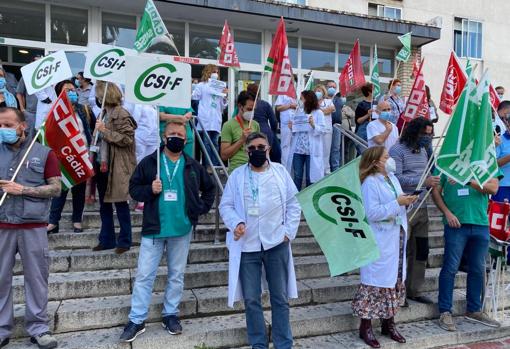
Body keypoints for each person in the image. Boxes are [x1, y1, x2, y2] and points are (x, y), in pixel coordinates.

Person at [120, 121, 215, 342]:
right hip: (154, 230)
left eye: (181, 134)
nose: (176, 137)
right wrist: (149, 190)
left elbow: (209, 188)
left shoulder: (192, 165)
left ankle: (170, 314)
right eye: (172, 133)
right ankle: (136, 319)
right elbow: (133, 189)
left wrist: (200, 208)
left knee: (176, 275)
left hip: (181, 229)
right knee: (144, 276)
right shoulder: (150, 162)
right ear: (164, 137)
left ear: (186, 138)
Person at [219, 132, 301, 349]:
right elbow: (225, 205)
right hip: (248, 246)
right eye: (252, 148)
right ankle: (258, 344)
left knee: (280, 298)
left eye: (261, 147)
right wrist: (235, 223)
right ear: (246, 151)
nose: (257, 151)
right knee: (252, 299)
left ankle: (284, 344)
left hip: (276, 244)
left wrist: (288, 232)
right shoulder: (237, 176)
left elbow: (294, 204)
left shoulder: (281, 173)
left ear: (269, 149)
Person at [0, 107, 61, 349]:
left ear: (22, 126)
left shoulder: (44, 153)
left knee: (36, 278)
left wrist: (23, 190)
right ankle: (2, 328)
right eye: (0, 125)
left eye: (7, 125)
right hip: (3, 224)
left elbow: (55, 188)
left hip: (33, 226)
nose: (2, 129)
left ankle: (39, 328)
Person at [352, 146, 417, 348]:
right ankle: (366, 326)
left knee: (394, 279)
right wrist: (397, 202)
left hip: (396, 237)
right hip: (380, 239)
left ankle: (389, 323)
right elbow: (372, 213)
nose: (390, 160)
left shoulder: (392, 179)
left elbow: (397, 203)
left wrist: (407, 201)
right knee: (375, 283)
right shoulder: (370, 183)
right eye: (386, 157)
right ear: (376, 162)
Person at [432, 168, 502, 331]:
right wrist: (447, 213)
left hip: (480, 223)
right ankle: (444, 311)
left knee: (478, 269)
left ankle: (474, 309)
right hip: (455, 224)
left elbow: (493, 188)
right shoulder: (446, 161)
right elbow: (435, 192)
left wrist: (468, 181)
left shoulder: (484, 160)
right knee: (450, 268)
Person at [389, 117, 440, 304]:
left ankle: (414, 289)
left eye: (430, 134)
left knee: (421, 250)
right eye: (424, 134)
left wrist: (431, 181)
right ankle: (396, 291)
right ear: (414, 132)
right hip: (405, 206)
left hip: (422, 206)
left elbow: (426, 173)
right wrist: (422, 182)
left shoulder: (424, 151)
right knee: (402, 251)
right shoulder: (397, 150)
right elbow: (395, 179)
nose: (428, 137)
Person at [92, 81, 137, 254]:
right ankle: (107, 239)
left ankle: (125, 241)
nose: (96, 98)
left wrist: (105, 131)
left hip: (117, 165)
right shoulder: (103, 113)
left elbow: (127, 139)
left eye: (98, 95)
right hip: (102, 164)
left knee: (120, 203)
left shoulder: (121, 114)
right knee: (104, 204)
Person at [47, 80, 95, 234]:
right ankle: (53, 222)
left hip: (81, 156)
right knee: (60, 189)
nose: (72, 92)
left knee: (79, 191)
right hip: (62, 157)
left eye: (74, 90)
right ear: (60, 94)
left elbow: (92, 129)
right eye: (67, 90)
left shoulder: (84, 110)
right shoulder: (54, 113)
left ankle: (77, 221)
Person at [191, 64, 227, 167]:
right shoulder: (201, 85)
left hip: (215, 119)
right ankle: (207, 166)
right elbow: (195, 97)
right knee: (206, 144)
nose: (215, 74)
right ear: (208, 72)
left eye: (217, 72)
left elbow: (222, 105)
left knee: (215, 143)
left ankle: (215, 166)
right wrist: (193, 87)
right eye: (213, 71)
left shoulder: (220, 86)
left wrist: (225, 96)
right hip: (205, 119)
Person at [290, 90, 326, 190]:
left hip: (311, 151)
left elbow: (323, 130)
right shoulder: (298, 112)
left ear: (308, 99)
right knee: (297, 177)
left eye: (301, 99)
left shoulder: (318, 113)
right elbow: (295, 130)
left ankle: (308, 201)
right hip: (298, 149)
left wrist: (314, 125)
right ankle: (295, 200)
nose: (300, 101)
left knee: (310, 178)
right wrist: (291, 127)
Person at [220, 92, 260, 173]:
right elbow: (224, 155)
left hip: (254, 167)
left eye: (253, 110)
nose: (251, 112)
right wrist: (241, 140)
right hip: (237, 169)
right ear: (240, 106)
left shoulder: (255, 125)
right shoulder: (228, 125)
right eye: (249, 109)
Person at [246, 84, 279, 162]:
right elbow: (274, 121)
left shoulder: (246, 105)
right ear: (259, 92)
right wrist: (273, 132)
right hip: (266, 132)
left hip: (251, 131)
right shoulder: (265, 104)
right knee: (266, 157)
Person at [315, 84, 336, 175]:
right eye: (316, 91)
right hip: (316, 130)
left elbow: (331, 110)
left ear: (323, 92)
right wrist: (324, 111)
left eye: (320, 91)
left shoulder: (328, 101)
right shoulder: (312, 103)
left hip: (327, 130)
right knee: (317, 151)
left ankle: (326, 172)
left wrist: (319, 111)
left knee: (326, 152)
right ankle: (318, 171)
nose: (318, 93)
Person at [275, 94, 297, 171]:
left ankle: (289, 169)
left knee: (293, 148)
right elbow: (278, 108)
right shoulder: (282, 94)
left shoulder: (296, 93)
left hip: (295, 124)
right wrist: (290, 105)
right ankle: (284, 168)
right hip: (286, 124)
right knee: (285, 146)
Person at [327, 80, 345, 172]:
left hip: (336, 126)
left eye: (334, 87)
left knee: (335, 149)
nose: (332, 89)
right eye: (330, 87)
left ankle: (335, 169)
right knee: (326, 149)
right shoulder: (323, 99)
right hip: (326, 127)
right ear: (326, 88)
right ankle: (326, 169)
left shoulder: (338, 100)